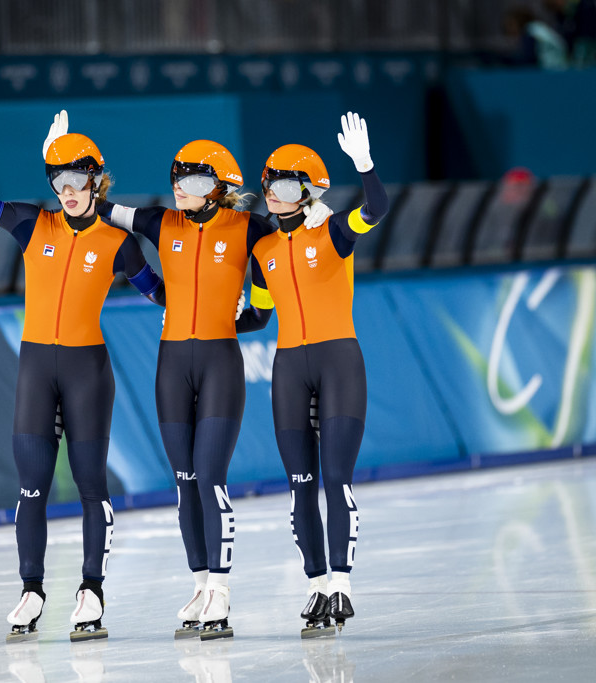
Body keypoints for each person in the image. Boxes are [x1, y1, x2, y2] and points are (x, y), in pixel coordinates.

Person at [45, 115, 331, 639]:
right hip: (171, 364)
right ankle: (200, 584)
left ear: (221, 189)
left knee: (210, 475)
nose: (182, 190)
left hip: (220, 362)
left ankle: (221, 589)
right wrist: (64, 167)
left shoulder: (250, 229)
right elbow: (95, 207)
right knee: (184, 482)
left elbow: (268, 299)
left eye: (196, 182)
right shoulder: (158, 223)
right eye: (178, 178)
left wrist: (315, 217)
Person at [0, 100, 165, 642]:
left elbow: (163, 296)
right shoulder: (30, 222)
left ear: (97, 182)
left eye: (77, 177)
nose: (67, 189)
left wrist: (222, 306)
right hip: (35, 369)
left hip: (86, 372)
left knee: (90, 487)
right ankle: (31, 591)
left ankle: (91, 591)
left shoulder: (121, 245)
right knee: (31, 488)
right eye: (57, 177)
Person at [237, 112, 389, 637]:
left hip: (338, 362)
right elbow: (257, 317)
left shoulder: (336, 232)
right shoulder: (262, 252)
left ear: (306, 191)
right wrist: (205, 316)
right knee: (301, 486)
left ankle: (342, 584)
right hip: (288, 370)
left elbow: (377, 208)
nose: (272, 194)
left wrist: (365, 166)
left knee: (334, 478)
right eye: (268, 185)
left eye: (282, 185)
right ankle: (316, 585)